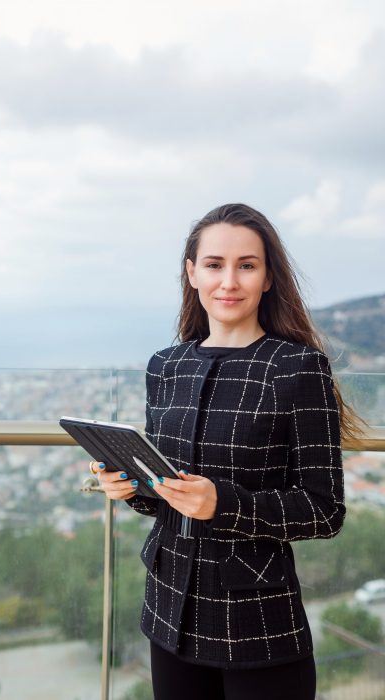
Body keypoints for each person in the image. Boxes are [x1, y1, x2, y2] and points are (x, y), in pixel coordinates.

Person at [91, 203, 368, 699]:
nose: (230, 281)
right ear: (192, 273)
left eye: (247, 265)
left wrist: (225, 503)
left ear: (267, 278)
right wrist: (130, 488)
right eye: (215, 265)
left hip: (257, 621)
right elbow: (165, 495)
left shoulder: (297, 369)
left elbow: (325, 512)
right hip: (167, 608)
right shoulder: (165, 366)